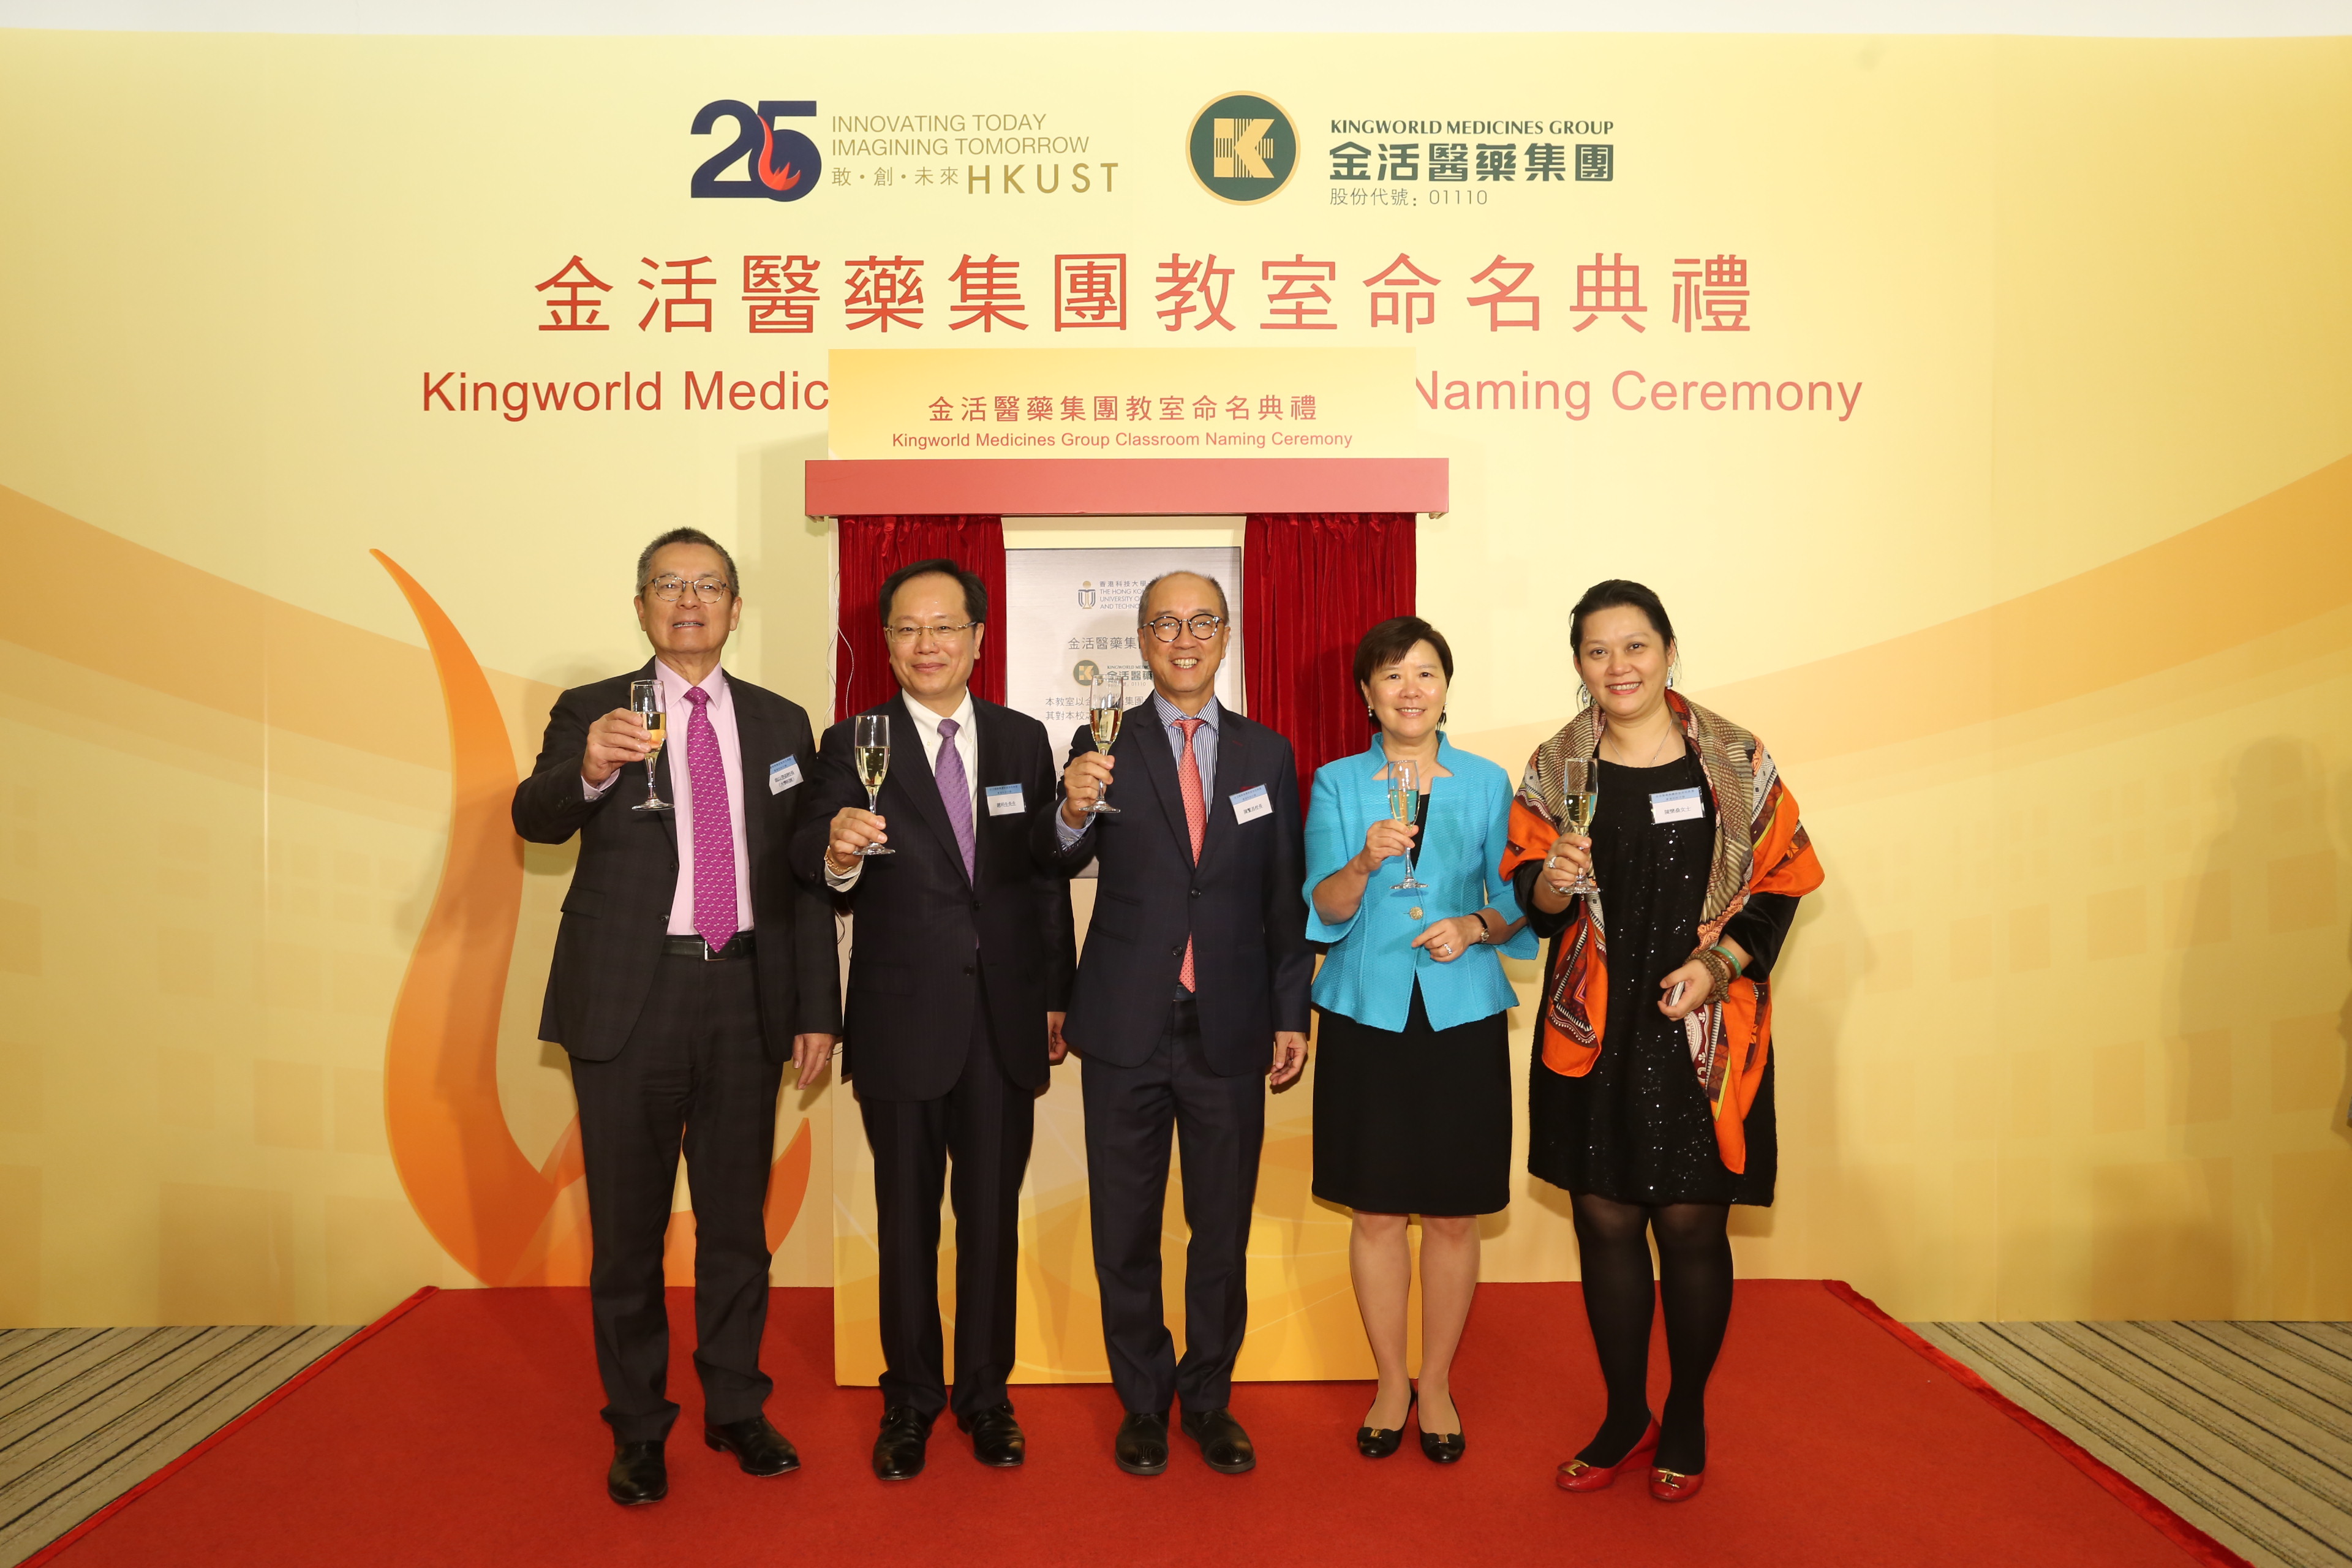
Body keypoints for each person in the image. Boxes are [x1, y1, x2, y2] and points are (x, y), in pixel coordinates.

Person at [511, 527, 840, 1507]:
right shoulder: (592, 709)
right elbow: (535, 817)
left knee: (737, 1224)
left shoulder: (782, 723)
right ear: (641, 607)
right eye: (669, 585)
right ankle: (639, 1428)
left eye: (708, 586)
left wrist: (816, 1007)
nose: (689, 601)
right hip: (633, 995)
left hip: (746, 993)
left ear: (736, 608)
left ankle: (736, 1406)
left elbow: (804, 877)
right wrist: (590, 771)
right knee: (629, 1232)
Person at [1500, 579, 1823, 1504]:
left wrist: (1719, 966)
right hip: (1595, 1024)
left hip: (1701, 1025)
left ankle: (1684, 1414)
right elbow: (1535, 906)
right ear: (1578, 665)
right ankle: (1622, 1415)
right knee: (1604, 1219)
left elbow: (1783, 880)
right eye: (1598, 651)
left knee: (1690, 1222)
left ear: (1670, 650)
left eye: (1635, 646)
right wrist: (1555, 880)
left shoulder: (1734, 757)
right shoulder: (1558, 767)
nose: (1620, 666)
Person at [793, 558, 1075, 1482]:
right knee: (906, 1221)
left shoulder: (1023, 740)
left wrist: (1056, 994)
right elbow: (810, 856)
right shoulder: (853, 740)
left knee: (990, 1221)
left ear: (978, 638)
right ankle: (910, 1400)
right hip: (901, 1018)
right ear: (886, 642)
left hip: (1003, 1019)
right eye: (909, 629)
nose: (928, 645)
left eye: (945, 627)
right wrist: (838, 853)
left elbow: (1042, 878)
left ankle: (987, 1398)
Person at [1033, 570, 1312, 1477]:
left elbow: (1282, 897)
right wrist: (1070, 806)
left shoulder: (1269, 753)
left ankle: (1210, 1401)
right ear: (1143, 640)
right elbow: (1055, 855)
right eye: (1165, 624)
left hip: (1230, 1025)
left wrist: (1290, 1011)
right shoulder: (1102, 741)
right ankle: (1144, 1404)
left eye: (1201, 623)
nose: (1183, 639)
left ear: (1226, 636)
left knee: (1220, 1231)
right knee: (1124, 1229)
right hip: (1124, 1023)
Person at [1303, 617, 1534, 1464]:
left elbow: (1519, 902)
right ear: (1368, 694)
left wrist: (1473, 926)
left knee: (1451, 1214)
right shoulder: (1337, 783)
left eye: (1426, 673)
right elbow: (1323, 905)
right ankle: (1390, 1382)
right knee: (1374, 1210)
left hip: (1460, 1015)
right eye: (1393, 675)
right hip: (1366, 1012)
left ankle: (1435, 1381)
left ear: (1445, 688)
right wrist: (1364, 863)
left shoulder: (1487, 782)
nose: (1411, 689)